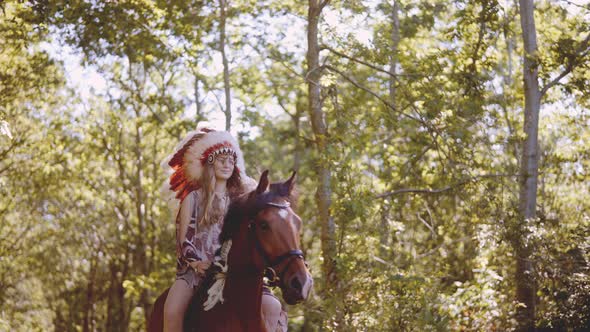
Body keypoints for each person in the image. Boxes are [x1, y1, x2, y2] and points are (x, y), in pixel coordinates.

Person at [161, 128, 287, 332]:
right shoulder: (192, 199)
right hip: (196, 271)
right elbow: (185, 239)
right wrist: (197, 262)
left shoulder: (239, 201)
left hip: (233, 270)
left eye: (231, 161)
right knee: (172, 311)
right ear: (209, 163)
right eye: (222, 160)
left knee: (273, 306)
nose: (227, 165)